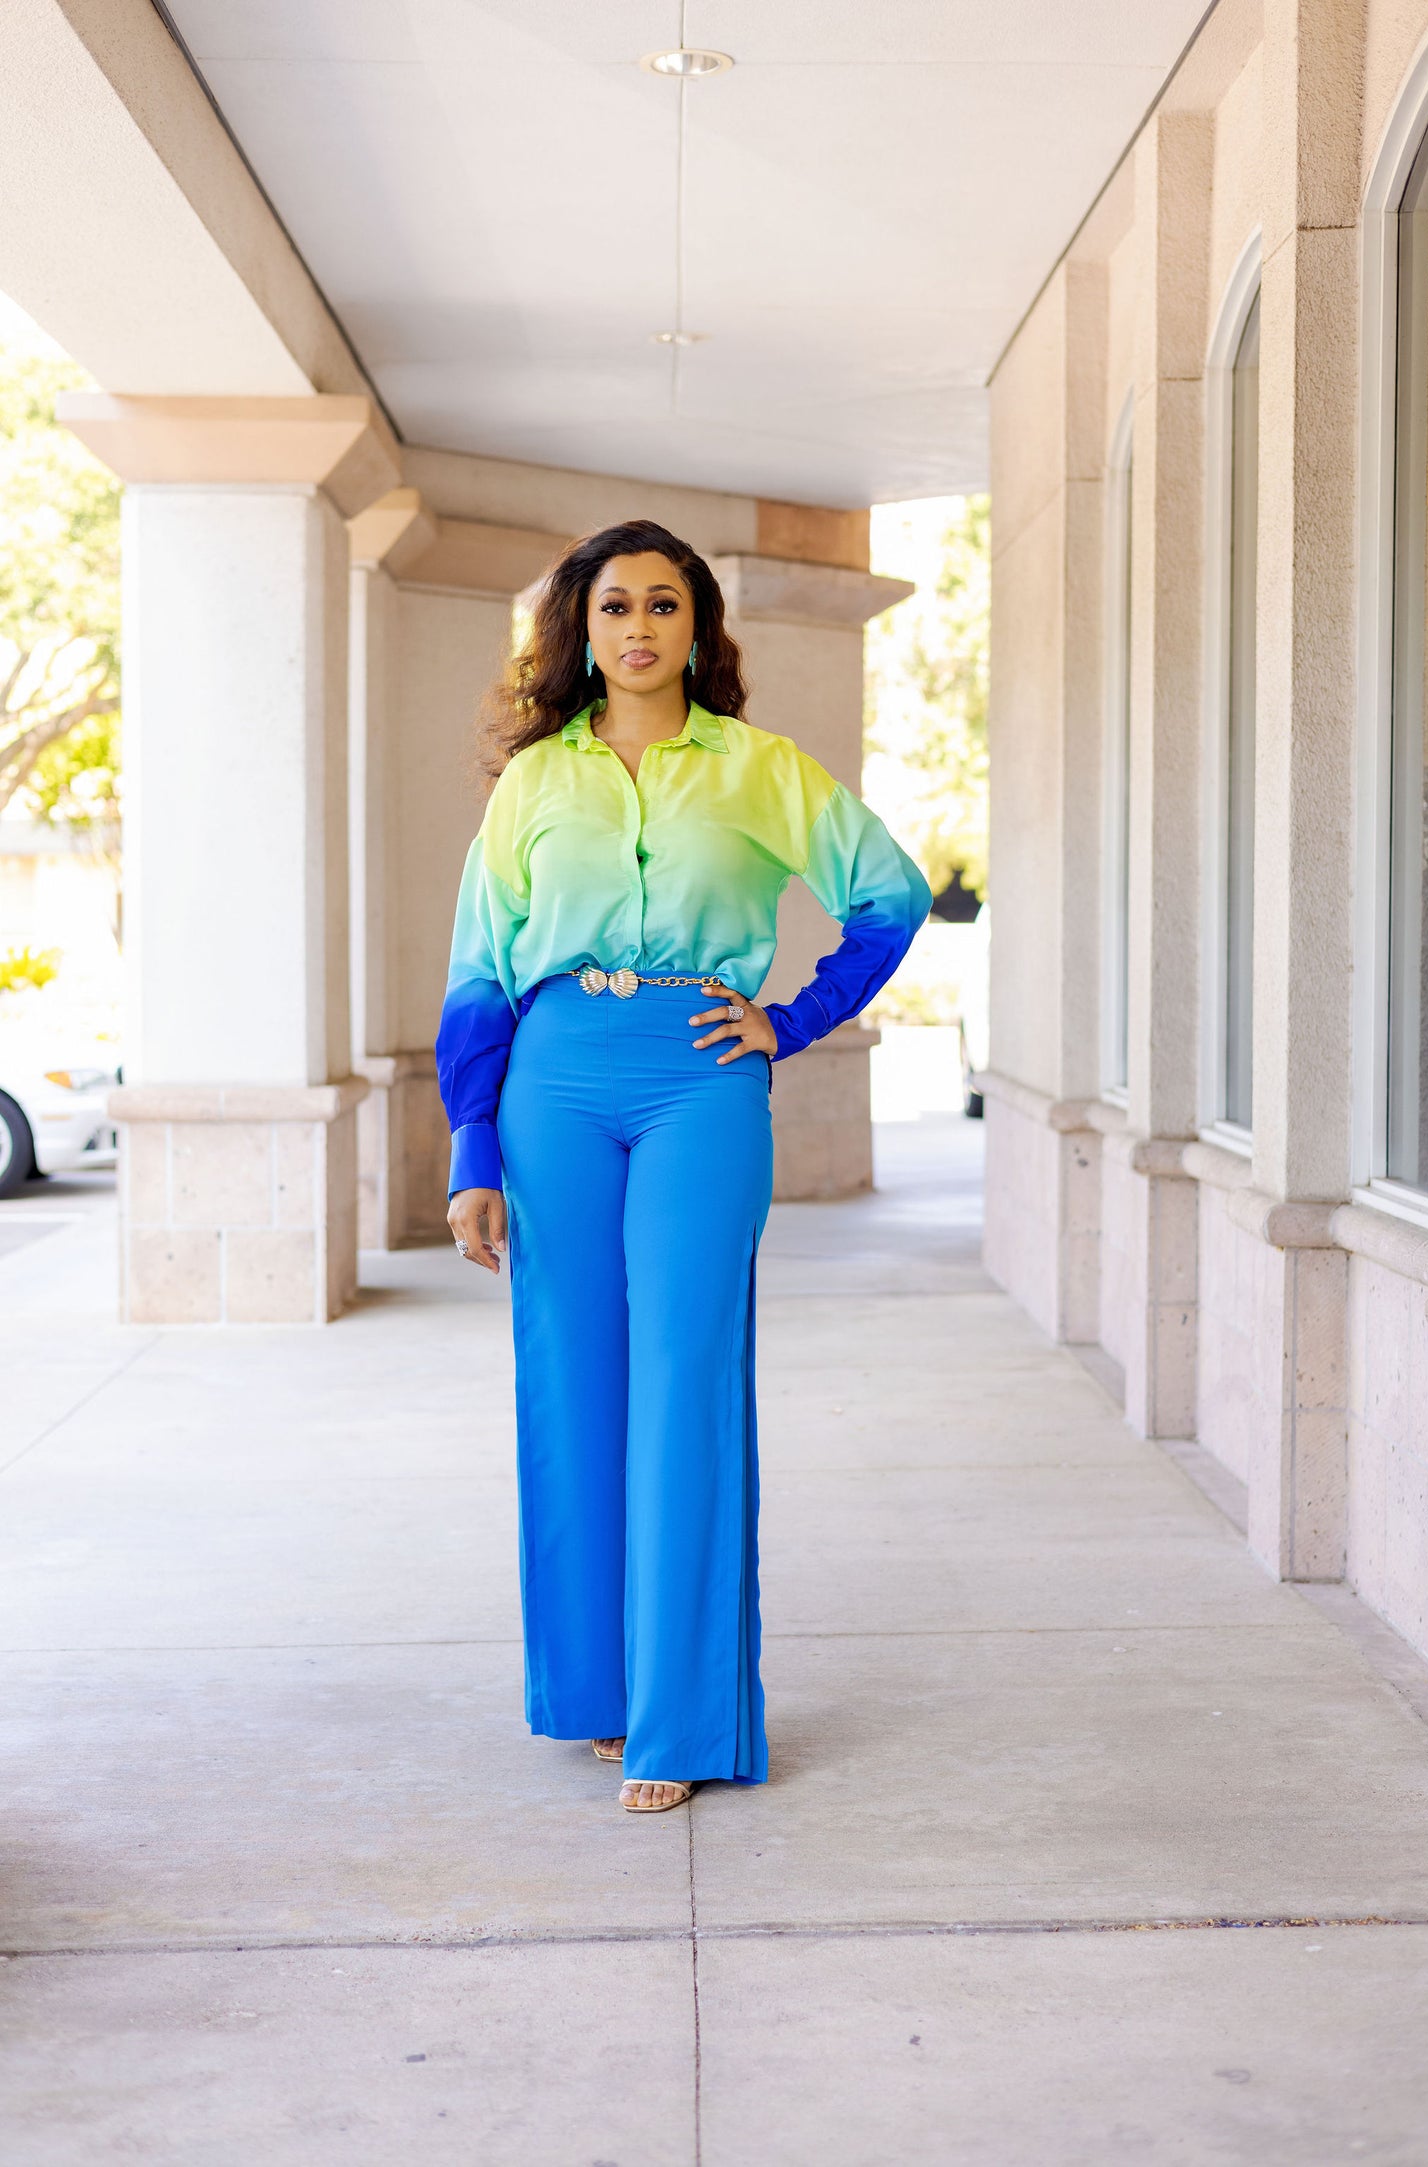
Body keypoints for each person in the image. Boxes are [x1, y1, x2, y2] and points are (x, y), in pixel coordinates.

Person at [439, 518, 930, 1813]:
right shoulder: (534, 781)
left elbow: (889, 896)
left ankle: (683, 1720)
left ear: (699, 626)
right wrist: (473, 1145)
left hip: (700, 1080)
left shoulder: (761, 769)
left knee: (684, 1376)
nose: (639, 627)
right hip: (553, 1080)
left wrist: (794, 1020)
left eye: (664, 604)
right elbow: (479, 971)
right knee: (570, 1377)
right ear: (581, 629)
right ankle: (597, 1696)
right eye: (615, 606)